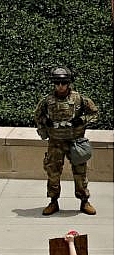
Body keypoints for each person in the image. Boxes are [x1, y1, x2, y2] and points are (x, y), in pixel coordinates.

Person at [33, 67, 99, 215]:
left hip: (75, 142)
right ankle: (53, 201)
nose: (60, 86)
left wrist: (81, 120)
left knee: (80, 172)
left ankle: (84, 201)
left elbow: (94, 113)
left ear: (69, 83)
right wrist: (46, 121)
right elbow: (37, 116)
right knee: (53, 173)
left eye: (63, 82)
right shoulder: (47, 101)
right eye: (57, 83)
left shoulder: (79, 99)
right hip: (55, 142)